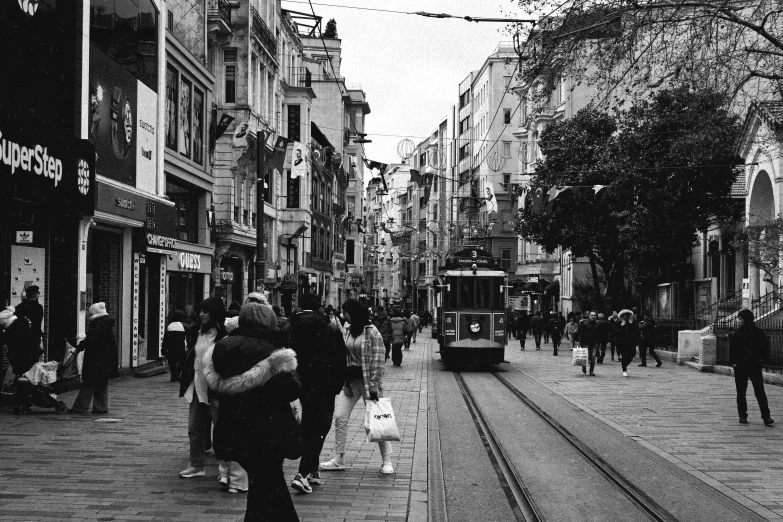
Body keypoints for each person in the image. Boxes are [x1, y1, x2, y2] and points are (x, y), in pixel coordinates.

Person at [203, 303, 302, 521]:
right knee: (271, 483)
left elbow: (214, 386)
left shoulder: (222, 348)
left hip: (234, 427)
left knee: (262, 483)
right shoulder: (271, 351)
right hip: (268, 429)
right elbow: (291, 389)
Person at [320, 299, 394, 474]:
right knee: (340, 417)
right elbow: (344, 355)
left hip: (368, 382)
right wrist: (344, 379)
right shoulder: (346, 329)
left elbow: (378, 358)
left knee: (376, 421)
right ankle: (339, 458)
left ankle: (387, 461)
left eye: (345, 312)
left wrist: (375, 384)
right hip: (351, 381)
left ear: (353, 312)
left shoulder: (371, 331)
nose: (342, 315)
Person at [286, 293, 347, 494]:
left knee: (305, 427)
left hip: (296, 385)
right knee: (319, 428)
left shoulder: (289, 328)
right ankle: (303, 473)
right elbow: (340, 360)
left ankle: (312, 469)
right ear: (320, 307)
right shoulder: (330, 329)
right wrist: (336, 385)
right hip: (323, 387)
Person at [179, 297, 230, 481]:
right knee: (194, 428)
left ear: (214, 313)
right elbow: (192, 357)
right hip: (197, 386)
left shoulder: (223, 334)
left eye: (205, 311)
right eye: (200, 311)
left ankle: (225, 468)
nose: (201, 315)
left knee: (221, 429)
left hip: (216, 388)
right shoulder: (196, 331)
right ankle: (196, 465)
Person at [69, 303, 116, 414]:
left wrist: (80, 346)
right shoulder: (106, 322)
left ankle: (80, 407)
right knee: (102, 382)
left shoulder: (97, 324)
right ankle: (101, 407)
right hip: (105, 358)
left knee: (89, 382)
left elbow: (91, 340)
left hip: (96, 358)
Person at [729, 309, 774, 426]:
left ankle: (766, 416)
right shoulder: (737, 333)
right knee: (742, 392)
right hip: (742, 366)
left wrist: (761, 361)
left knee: (759, 392)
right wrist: (734, 363)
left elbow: (764, 349)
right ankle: (742, 415)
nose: (738, 321)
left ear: (746, 319)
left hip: (753, 365)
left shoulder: (758, 333)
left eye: (740, 319)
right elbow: (733, 350)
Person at [1, 306, 38, 412]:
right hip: (28, 357)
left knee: (21, 380)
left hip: (23, 358)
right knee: (22, 379)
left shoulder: (13, 329)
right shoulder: (20, 324)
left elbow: (14, 346)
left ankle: (23, 402)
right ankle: (23, 401)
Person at [15, 285, 43, 355]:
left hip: (20, 340)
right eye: (38, 292)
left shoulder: (19, 307)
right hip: (34, 340)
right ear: (35, 294)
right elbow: (37, 324)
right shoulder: (38, 308)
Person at [163, 310, 189, 382]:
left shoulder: (169, 326)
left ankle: (173, 375)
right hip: (181, 347)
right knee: (182, 362)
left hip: (171, 348)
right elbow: (189, 336)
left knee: (172, 362)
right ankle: (178, 373)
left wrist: (164, 348)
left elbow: (165, 339)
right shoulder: (184, 326)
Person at [615, 309, 639, 377]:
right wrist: (621, 326)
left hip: (631, 342)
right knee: (624, 356)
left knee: (631, 356)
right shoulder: (619, 322)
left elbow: (636, 330)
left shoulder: (631, 322)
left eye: (627, 315)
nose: (625, 316)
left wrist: (631, 324)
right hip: (622, 342)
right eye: (624, 315)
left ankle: (624, 365)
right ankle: (624, 370)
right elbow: (616, 332)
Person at [575, 311, 599, 376]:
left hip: (594, 343)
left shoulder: (597, 325)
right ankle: (584, 366)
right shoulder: (585, 324)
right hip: (585, 343)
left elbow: (599, 334)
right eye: (592, 315)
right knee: (586, 357)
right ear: (589, 316)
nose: (593, 316)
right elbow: (580, 333)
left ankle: (591, 371)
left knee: (593, 357)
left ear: (596, 317)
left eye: (594, 315)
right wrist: (579, 341)